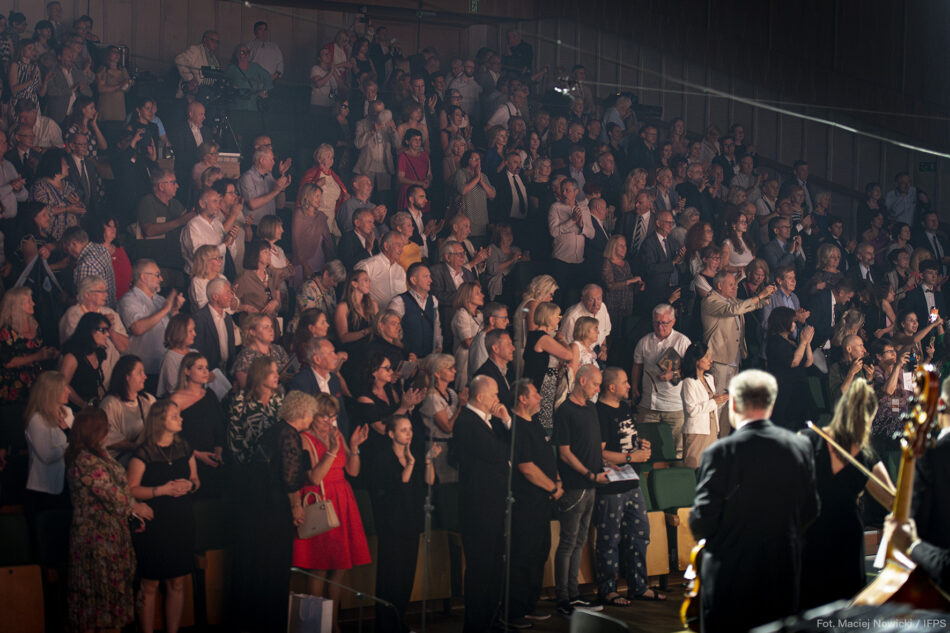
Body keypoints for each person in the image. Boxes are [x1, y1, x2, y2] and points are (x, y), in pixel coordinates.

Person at [689, 369, 820, 633]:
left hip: (731, 573)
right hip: (782, 568)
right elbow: (811, 509)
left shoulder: (721, 451)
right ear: (771, 404)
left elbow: (703, 520)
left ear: (734, 404)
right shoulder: (799, 447)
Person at [799, 379, 895, 609]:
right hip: (845, 538)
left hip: (810, 533)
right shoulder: (865, 455)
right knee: (843, 614)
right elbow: (893, 501)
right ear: (868, 419)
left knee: (809, 610)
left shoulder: (807, 439)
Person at [66, 408, 153, 633]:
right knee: (99, 604)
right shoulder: (84, 460)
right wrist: (136, 505)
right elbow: (110, 493)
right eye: (105, 426)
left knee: (115, 605)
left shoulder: (100, 454)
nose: (109, 430)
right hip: (97, 541)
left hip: (114, 538)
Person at [231, 386, 309, 632]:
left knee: (258, 571)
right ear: (303, 412)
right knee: (274, 573)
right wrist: (296, 507)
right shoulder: (289, 436)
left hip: (256, 512)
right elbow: (290, 478)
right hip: (274, 514)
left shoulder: (272, 431)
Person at [293, 393, 370, 633]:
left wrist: (354, 448)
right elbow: (314, 477)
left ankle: (333, 622)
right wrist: (332, 451)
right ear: (313, 416)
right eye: (324, 417)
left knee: (340, 565)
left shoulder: (337, 435)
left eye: (332, 417)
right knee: (319, 566)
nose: (329, 422)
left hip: (343, 497)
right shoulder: (304, 439)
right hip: (321, 499)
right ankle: (315, 625)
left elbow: (353, 471)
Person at [127, 400, 199, 633]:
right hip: (155, 521)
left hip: (181, 519)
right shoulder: (143, 453)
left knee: (177, 581)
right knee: (150, 582)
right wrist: (161, 490)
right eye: (175, 416)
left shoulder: (184, 447)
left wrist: (190, 485)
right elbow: (130, 489)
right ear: (160, 421)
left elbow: (197, 481)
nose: (181, 419)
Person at [594, 367, 660, 605]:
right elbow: (600, 453)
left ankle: (638, 585)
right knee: (609, 538)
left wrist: (643, 447)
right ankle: (608, 588)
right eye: (625, 382)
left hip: (631, 480)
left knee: (639, 534)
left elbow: (628, 443)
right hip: (610, 484)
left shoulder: (624, 408)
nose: (629, 386)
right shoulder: (599, 412)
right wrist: (632, 458)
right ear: (611, 387)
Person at [452, 374, 512, 632]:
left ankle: (492, 616)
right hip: (478, 505)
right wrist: (505, 421)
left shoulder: (490, 423)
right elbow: (498, 454)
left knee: (495, 562)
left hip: (494, 502)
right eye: (495, 394)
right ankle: (477, 623)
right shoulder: (466, 422)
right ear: (480, 397)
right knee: (480, 565)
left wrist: (507, 421)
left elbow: (512, 448)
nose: (498, 399)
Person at [369, 414, 438, 633]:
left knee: (407, 574)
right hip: (391, 523)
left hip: (411, 520)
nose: (409, 433)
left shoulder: (414, 454)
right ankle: (385, 625)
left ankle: (399, 620)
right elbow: (395, 490)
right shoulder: (382, 458)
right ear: (391, 434)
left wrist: (427, 461)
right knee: (391, 575)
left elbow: (429, 482)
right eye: (403, 430)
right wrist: (409, 464)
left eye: (410, 429)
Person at [553, 365, 607, 617]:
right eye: (595, 384)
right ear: (582, 381)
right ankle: (563, 597)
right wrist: (588, 473)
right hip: (576, 485)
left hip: (591, 484)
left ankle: (573, 594)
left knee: (579, 541)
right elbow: (564, 452)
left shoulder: (591, 408)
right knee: (568, 542)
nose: (598, 389)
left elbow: (594, 444)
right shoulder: (565, 410)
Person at [701, 272, 776, 437]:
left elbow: (750, 305)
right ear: (719, 285)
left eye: (735, 284)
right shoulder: (710, 301)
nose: (735, 287)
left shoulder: (732, 300)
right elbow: (733, 310)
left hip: (734, 360)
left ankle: (725, 440)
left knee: (729, 405)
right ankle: (713, 440)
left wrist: (767, 296)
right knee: (717, 402)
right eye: (731, 284)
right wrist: (759, 297)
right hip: (718, 360)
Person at [631, 304, 691, 457]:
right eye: (656, 322)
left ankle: (674, 478)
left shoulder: (682, 341)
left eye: (664, 323)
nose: (660, 326)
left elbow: (692, 371)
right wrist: (634, 387)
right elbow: (637, 366)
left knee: (677, 448)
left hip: (675, 406)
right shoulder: (644, 341)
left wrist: (674, 375)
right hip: (648, 404)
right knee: (644, 446)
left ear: (673, 321)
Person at [169, 353, 226, 497]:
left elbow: (219, 427)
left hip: (213, 458)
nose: (206, 372)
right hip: (188, 459)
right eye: (200, 368)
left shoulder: (210, 395)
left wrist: (218, 452)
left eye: (206, 368)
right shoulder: (176, 399)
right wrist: (197, 455)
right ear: (187, 371)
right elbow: (172, 436)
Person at [119, 259, 185, 380]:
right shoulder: (129, 300)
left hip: (164, 365)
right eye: (157, 275)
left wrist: (175, 310)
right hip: (144, 370)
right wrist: (165, 309)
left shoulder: (159, 300)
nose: (161, 279)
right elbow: (137, 328)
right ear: (143, 277)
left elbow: (174, 331)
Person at [23, 371, 72, 516]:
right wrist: (71, 443)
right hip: (44, 489)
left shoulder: (68, 413)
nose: (68, 391)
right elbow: (48, 455)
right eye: (63, 388)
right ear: (51, 392)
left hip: (66, 484)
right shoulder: (36, 419)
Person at [523, 302, 578, 431]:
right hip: (541, 382)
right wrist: (562, 340)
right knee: (543, 421)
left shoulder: (535, 334)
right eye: (557, 316)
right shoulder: (543, 338)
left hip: (536, 380)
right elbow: (568, 355)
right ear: (548, 318)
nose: (559, 319)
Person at [1, 288, 59, 409]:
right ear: (17, 306)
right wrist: (37, 356)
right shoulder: (7, 331)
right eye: (29, 301)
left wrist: (49, 353)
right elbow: (7, 362)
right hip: (14, 386)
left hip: (36, 382)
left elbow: (38, 349)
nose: (33, 303)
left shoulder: (35, 324)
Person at [680, 342, 730, 469]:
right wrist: (715, 401)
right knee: (694, 467)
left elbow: (712, 406)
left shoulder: (709, 378)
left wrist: (724, 398)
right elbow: (692, 410)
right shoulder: (689, 382)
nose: (710, 360)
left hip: (711, 429)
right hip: (697, 432)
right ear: (696, 360)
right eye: (706, 356)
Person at [764, 307, 815, 431]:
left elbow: (808, 362)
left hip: (799, 388)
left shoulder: (791, 340)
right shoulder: (775, 342)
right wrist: (803, 342)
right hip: (785, 390)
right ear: (783, 322)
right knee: (787, 425)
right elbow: (793, 362)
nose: (794, 324)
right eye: (792, 321)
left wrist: (807, 342)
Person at [100, 355, 156, 465]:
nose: (145, 376)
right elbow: (108, 438)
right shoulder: (110, 404)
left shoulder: (148, 400)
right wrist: (139, 447)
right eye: (140, 373)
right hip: (120, 462)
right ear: (127, 376)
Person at [59, 312, 110, 408]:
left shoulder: (98, 353)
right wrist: (84, 405)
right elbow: (62, 385)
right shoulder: (72, 357)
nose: (107, 334)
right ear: (89, 331)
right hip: (74, 410)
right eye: (103, 330)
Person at [451, 282, 484, 389]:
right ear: (467, 297)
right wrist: (486, 331)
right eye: (477, 293)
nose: (482, 295)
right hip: (465, 361)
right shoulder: (462, 313)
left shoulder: (479, 314)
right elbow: (467, 342)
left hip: (477, 359)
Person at [156, 314, 196, 398]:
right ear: (180, 332)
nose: (194, 334)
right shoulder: (170, 358)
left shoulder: (195, 352)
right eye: (190, 331)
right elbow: (173, 389)